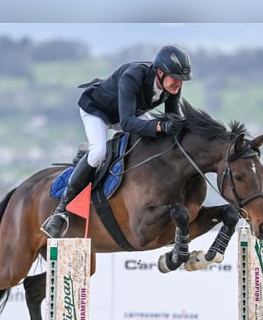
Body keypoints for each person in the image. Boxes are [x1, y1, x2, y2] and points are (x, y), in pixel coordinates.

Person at [41, 44, 192, 239]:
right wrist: (160, 127)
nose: (179, 85)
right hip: (98, 111)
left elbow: (172, 118)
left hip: (126, 115)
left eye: (182, 81)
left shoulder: (171, 87)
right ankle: (60, 212)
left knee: (154, 141)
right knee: (98, 153)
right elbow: (128, 123)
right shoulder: (133, 76)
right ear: (161, 72)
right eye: (176, 79)